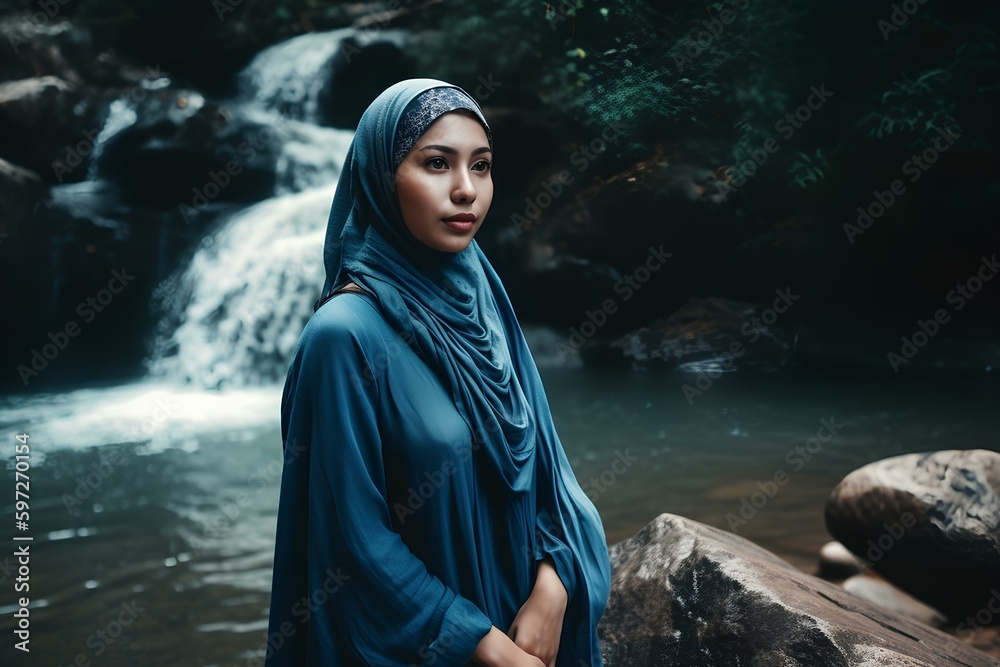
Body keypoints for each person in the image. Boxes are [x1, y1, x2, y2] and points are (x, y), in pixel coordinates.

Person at [264, 78, 610, 667]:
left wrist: (555, 584)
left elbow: (550, 472)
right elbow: (351, 547)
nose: (466, 190)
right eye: (435, 164)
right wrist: (483, 647)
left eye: (482, 165)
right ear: (379, 177)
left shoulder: (483, 298)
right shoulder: (343, 337)